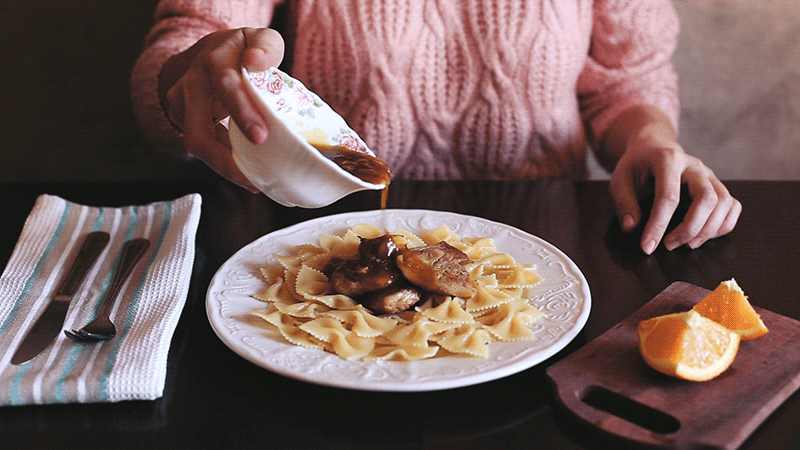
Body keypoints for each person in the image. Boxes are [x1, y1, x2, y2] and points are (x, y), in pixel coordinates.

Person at [131, 0, 741, 255]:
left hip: (539, 249)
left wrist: (650, 139)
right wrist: (186, 83)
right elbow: (191, 33)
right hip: (325, 241)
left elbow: (627, 79)